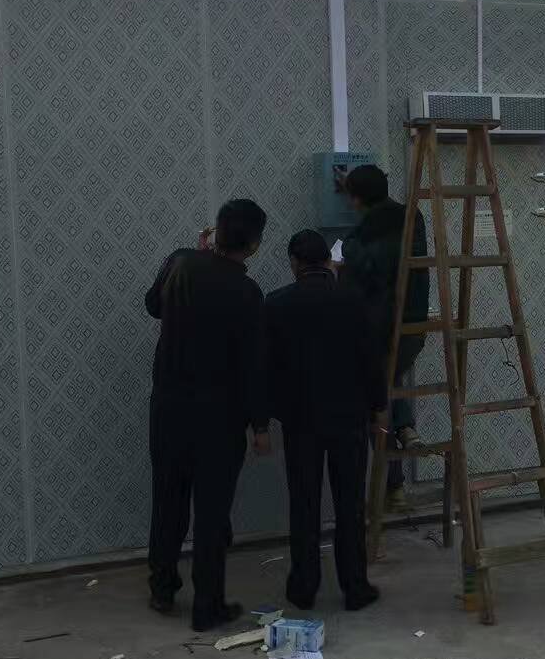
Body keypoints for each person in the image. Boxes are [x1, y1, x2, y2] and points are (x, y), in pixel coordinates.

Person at [145, 198, 270, 630]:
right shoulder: (247, 293)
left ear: (216, 230)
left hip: (169, 408)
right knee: (212, 512)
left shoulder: (181, 263)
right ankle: (207, 605)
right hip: (220, 416)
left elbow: (153, 305)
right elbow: (253, 366)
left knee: (168, 500)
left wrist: (198, 255)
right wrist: (259, 424)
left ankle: (162, 588)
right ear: (254, 245)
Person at [266, 230, 385, 611]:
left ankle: (304, 587)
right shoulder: (353, 301)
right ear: (327, 261)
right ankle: (355, 586)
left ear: (294, 262)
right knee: (350, 503)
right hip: (349, 416)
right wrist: (378, 407)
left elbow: (266, 366)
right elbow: (371, 358)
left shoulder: (277, 303)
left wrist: (265, 416)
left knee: (304, 502)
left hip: (300, 419)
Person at [341, 164, 430, 510]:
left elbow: (371, 268)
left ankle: (394, 487)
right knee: (389, 382)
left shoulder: (367, 232)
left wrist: (349, 247)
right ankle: (406, 428)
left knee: (375, 399)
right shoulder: (413, 216)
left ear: (356, 198)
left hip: (384, 327)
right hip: (415, 324)